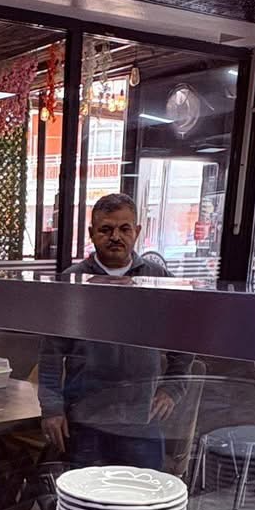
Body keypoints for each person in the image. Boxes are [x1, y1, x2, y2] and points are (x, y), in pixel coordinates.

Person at [41, 193, 193, 470]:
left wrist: (173, 388)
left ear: (137, 231)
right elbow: (50, 354)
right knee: (83, 493)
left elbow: (186, 339)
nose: (115, 237)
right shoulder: (72, 281)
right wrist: (51, 408)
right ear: (91, 233)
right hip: (83, 419)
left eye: (124, 229)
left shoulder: (158, 279)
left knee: (143, 493)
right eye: (106, 229)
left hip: (142, 419)